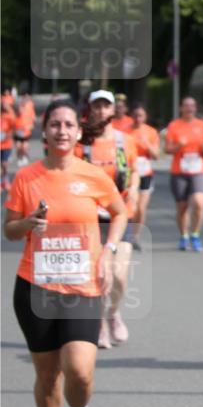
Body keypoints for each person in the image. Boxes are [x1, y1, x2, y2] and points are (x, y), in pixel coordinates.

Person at [4, 98, 128, 407]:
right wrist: (29, 224)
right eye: (55, 124)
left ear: (78, 132)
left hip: (82, 289)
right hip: (35, 288)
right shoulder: (26, 177)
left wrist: (108, 251)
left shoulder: (92, 175)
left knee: (80, 371)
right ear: (46, 130)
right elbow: (9, 231)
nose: (62, 130)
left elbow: (120, 212)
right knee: (47, 375)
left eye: (68, 124)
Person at [76, 90, 140, 349]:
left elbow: (134, 171)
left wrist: (134, 188)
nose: (102, 111)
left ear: (114, 110)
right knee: (100, 273)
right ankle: (100, 324)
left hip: (121, 214)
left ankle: (113, 312)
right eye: (97, 106)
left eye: (106, 106)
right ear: (90, 110)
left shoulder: (125, 141)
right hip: (91, 216)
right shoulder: (83, 144)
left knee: (120, 274)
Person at [164, 97, 203, 251]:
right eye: (186, 106)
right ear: (181, 108)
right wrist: (179, 145)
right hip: (180, 171)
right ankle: (184, 235)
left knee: (199, 203)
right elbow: (167, 149)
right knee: (182, 207)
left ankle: (195, 234)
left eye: (192, 106)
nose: (189, 108)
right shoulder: (174, 126)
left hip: (198, 170)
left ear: (195, 108)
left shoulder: (202, 125)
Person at [130, 103, 160, 250]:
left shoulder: (151, 132)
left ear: (145, 117)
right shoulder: (125, 132)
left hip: (146, 174)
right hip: (131, 174)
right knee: (133, 207)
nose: (138, 118)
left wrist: (147, 144)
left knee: (141, 208)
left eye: (141, 115)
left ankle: (136, 236)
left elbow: (156, 156)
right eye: (135, 115)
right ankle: (127, 234)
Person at [14, 92, 36, 166]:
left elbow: (33, 116)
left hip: (26, 129)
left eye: (27, 97)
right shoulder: (19, 105)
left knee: (24, 146)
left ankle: (24, 156)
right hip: (18, 129)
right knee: (18, 146)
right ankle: (19, 157)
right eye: (25, 97)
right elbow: (18, 113)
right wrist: (21, 107)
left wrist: (32, 124)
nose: (26, 99)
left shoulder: (30, 105)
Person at [1, 93, 14, 194]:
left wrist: (7, 136)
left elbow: (14, 127)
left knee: (4, 164)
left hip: (6, 144)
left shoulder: (10, 115)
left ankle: (5, 178)